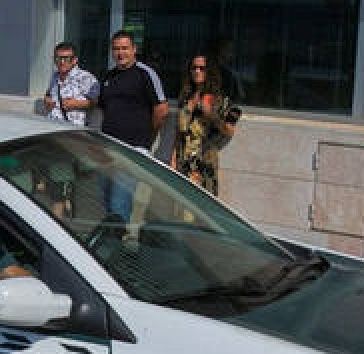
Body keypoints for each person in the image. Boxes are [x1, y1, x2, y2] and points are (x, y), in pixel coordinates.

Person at [96, 30, 168, 218]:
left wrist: (147, 137)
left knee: (119, 203)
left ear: (134, 49)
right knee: (104, 199)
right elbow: (104, 109)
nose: (120, 53)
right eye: (116, 49)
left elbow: (161, 110)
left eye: (125, 48)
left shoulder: (145, 74)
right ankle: (112, 233)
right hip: (108, 149)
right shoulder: (108, 76)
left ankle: (120, 236)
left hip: (132, 150)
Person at [168, 53, 240, 195]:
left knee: (199, 204)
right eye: (194, 68)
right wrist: (173, 159)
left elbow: (229, 131)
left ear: (210, 72)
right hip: (183, 160)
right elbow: (179, 131)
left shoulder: (219, 99)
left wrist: (211, 115)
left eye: (202, 68)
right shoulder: (186, 97)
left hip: (204, 162)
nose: (197, 71)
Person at [41, 41, 98, 127]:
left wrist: (76, 104)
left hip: (72, 130)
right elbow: (48, 93)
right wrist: (47, 99)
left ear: (75, 60)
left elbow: (95, 102)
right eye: (58, 58)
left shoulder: (86, 77)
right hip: (52, 126)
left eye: (66, 58)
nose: (62, 62)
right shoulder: (54, 76)